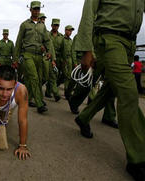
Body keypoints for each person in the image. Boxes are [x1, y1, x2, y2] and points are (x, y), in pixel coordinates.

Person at [74, 0, 145, 180]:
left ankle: (84, 117)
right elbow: (89, 11)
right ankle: (139, 157)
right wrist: (86, 49)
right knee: (128, 92)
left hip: (129, 43)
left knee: (111, 88)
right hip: (108, 39)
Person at [15, 1, 53, 113]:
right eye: (34, 9)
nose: (36, 11)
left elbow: (47, 40)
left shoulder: (42, 26)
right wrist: (16, 59)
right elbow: (18, 42)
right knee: (34, 78)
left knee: (35, 79)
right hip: (27, 55)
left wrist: (49, 51)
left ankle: (25, 98)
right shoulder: (24, 25)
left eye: (38, 9)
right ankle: (40, 104)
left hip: (39, 56)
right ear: (30, 10)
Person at [45, 18, 63, 102]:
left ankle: (48, 92)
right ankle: (56, 94)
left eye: (57, 25)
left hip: (58, 59)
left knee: (55, 76)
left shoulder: (61, 37)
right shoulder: (47, 34)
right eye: (54, 25)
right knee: (51, 76)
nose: (56, 27)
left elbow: (64, 49)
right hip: (49, 57)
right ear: (51, 25)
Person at [61, 25, 74, 100]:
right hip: (63, 59)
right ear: (65, 30)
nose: (70, 32)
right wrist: (62, 60)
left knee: (68, 76)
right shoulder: (62, 39)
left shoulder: (71, 41)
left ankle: (66, 92)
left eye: (71, 31)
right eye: (69, 30)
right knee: (65, 76)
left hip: (70, 59)